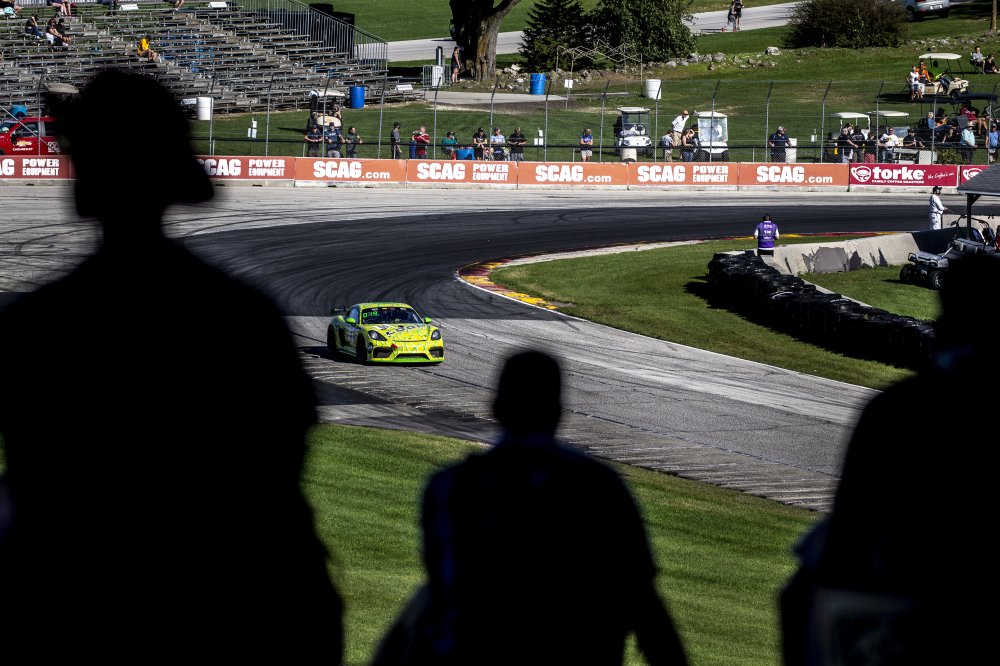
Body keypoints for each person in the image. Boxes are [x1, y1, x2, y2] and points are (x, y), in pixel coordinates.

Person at [0, 68, 344, 665]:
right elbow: (280, 478)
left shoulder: (34, 326)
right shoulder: (244, 318)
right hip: (238, 609)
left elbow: (30, 495)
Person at [372, 351, 689, 666]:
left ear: (496, 408)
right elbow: (643, 603)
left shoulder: (448, 487)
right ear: (558, 412)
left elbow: (439, 588)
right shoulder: (600, 486)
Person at [779, 253, 998, 666]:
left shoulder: (897, 409)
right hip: (916, 589)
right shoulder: (897, 408)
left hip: (907, 597)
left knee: (798, 592)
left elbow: (843, 539)